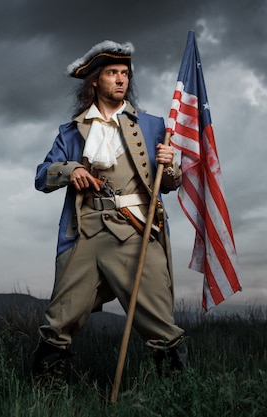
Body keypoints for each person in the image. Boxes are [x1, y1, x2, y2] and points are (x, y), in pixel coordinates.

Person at [33, 40, 185, 379]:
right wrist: (71, 170)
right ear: (94, 82)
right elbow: (42, 176)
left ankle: (175, 390)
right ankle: (46, 388)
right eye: (112, 73)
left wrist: (170, 164)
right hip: (85, 231)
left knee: (158, 318)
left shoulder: (152, 125)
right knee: (61, 317)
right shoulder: (71, 132)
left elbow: (170, 183)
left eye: (125, 74)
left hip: (135, 230)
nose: (121, 79)